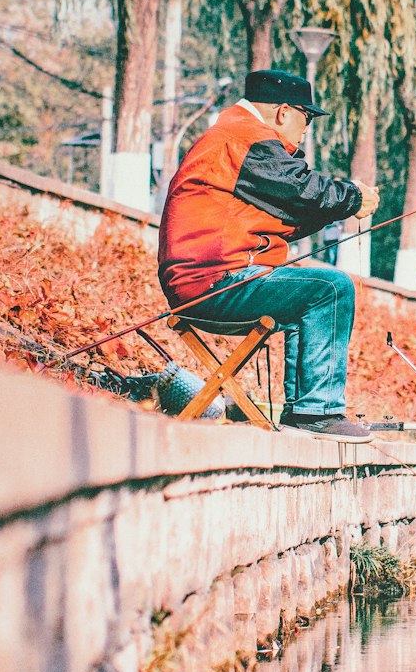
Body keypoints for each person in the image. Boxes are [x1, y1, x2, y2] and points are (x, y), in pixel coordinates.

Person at [157, 67, 380, 440]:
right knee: (330, 287)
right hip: (215, 282)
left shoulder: (232, 137)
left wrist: (342, 206)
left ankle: (306, 410)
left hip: (208, 279)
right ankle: (316, 412)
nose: (307, 128)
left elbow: (287, 212)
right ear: (283, 112)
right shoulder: (244, 136)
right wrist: (352, 197)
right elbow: (298, 187)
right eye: (306, 117)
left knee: (315, 289)